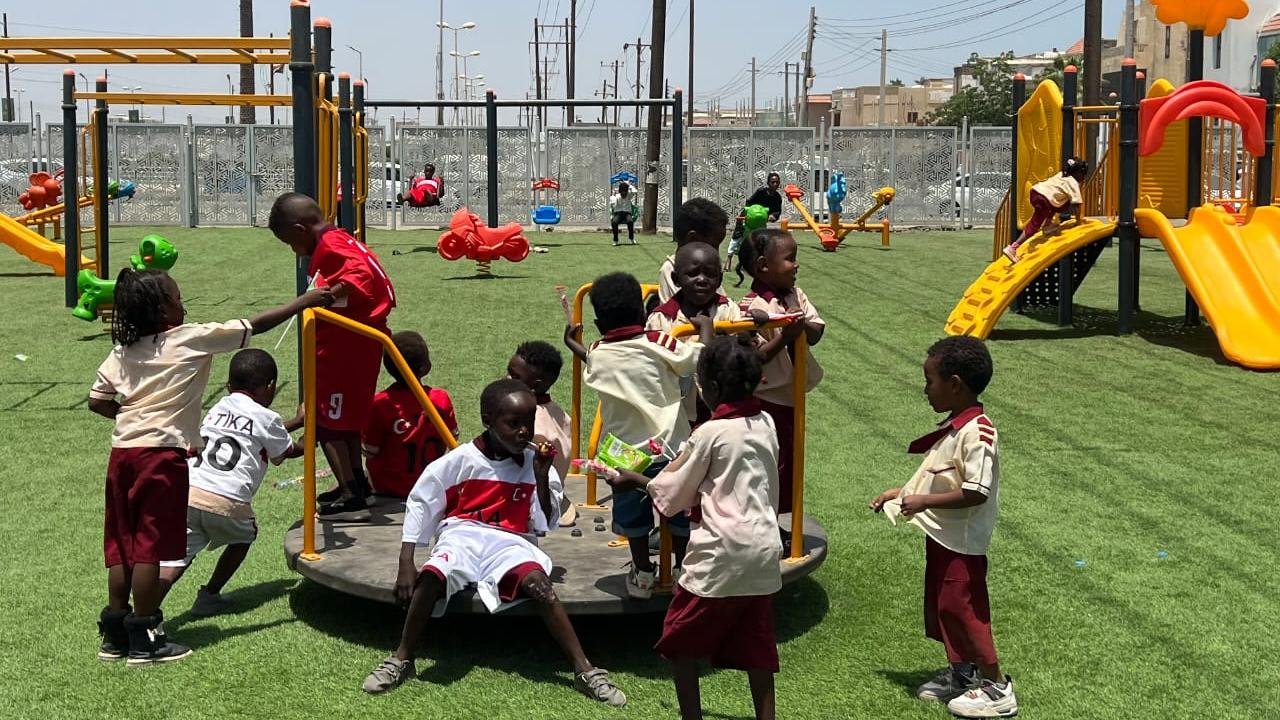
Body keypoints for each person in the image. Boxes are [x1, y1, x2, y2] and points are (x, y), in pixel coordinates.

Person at [88, 268, 332, 665]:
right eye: (178, 298)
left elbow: (97, 400)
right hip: (160, 456)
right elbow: (254, 325)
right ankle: (146, 638)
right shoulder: (189, 338)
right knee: (149, 548)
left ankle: (113, 636)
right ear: (163, 310)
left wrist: (132, 418)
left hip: (123, 453)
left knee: (122, 545)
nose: (183, 305)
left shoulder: (122, 351)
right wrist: (304, 302)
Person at [361, 379, 627, 707]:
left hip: (512, 541)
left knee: (541, 586)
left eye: (528, 423)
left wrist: (541, 476)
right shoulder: (459, 460)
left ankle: (585, 669)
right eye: (513, 424)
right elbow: (420, 503)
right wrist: (406, 562)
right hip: (461, 536)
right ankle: (402, 657)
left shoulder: (536, 464)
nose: (524, 432)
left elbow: (545, 523)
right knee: (431, 576)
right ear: (488, 420)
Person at [603, 335, 783, 720]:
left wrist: (634, 479)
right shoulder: (766, 422)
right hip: (765, 548)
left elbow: (673, 493)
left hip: (721, 552)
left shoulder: (708, 434)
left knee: (679, 640)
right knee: (758, 645)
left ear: (711, 387)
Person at [869, 336, 1017, 718]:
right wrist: (901, 493)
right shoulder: (956, 427)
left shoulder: (979, 433)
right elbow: (937, 476)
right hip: (942, 537)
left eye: (929, 381)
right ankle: (962, 673)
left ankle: (997, 688)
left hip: (962, 544)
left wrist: (923, 502)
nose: (925, 390)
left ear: (955, 385)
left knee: (962, 609)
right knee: (941, 605)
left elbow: (976, 491)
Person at [564, 272, 714, 599]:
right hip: (671, 449)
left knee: (633, 516)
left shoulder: (598, 350)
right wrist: (705, 329)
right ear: (642, 314)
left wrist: (571, 343)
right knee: (678, 510)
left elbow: (591, 358)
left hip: (624, 454)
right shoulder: (660, 341)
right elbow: (695, 360)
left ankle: (643, 573)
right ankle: (681, 569)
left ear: (599, 323)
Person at [270, 192, 397, 518]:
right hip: (355, 340)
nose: (294, 250)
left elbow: (360, 276)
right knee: (345, 420)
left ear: (299, 229)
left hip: (347, 343)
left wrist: (324, 297)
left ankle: (351, 494)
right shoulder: (341, 237)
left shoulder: (331, 244)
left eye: (289, 242)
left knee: (326, 419)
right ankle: (356, 483)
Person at [157, 349, 304, 617]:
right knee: (245, 535)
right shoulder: (267, 418)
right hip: (226, 500)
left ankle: (144, 614)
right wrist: (312, 432)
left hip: (187, 493)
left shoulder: (219, 407)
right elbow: (285, 451)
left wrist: (296, 422)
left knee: (174, 561)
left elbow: (256, 432)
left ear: (228, 385)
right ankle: (210, 594)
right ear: (270, 386)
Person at [737, 229, 824, 527]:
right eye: (790, 259)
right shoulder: (750, 307)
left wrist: (799, 322)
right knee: (767, 465)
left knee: (790, 465)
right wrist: (785, 333)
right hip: (765, 399)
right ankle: (762, 525)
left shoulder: (795, 295)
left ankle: (777, 525)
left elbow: (816, 332)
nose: (796, 264)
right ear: (764, 265)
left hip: (792, 396)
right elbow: (755, 357)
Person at [647, 242, 758, 425]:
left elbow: (744, 347)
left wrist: (750, 329)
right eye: (692, 274)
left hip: (724, 404)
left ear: (720, 280)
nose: (702, 280)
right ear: (676, 279)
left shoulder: (728, 309)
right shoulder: (662, 318)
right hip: (678, 408)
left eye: (710, 274)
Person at [363, 331, 459, 499]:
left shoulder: (380, 404)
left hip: (387, 488)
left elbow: (370, 450)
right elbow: (453, 437)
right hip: (430, 485)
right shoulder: (441, 398)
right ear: (426, 366)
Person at [506, 340, 576, 525]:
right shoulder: (560, 414)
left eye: (514, 376)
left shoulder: (526, 422)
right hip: (554, 488)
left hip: (528, 497)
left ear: (535, 385)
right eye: (508, 371)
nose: (507, 378)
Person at [1003, 156, 1088, 263]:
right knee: (1034, 225)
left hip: (1035, 192)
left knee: (1061, 201)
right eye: (1082, 174)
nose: (1083, 177)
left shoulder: (1061, 174)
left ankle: (1047, 224)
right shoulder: (1073, 182)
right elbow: (1077, 204)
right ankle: (1013, 248)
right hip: (1044, 199)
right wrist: (1078, 222)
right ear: (1077, 173)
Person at [658, 198, 730, 303]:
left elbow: (724, 304)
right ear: (692, 239)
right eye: (714, 246)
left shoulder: (707, 269)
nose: (717, 253)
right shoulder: (670, 270)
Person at [728, 173, 785, 272]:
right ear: (768, 183)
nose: (775, 184)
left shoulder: (777, 197)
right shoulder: (761, 192)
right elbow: (749, 202)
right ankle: (729, 259)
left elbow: (777, 212)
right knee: (738, 237)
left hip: (760, 223)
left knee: (758, 242)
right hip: (746, 219)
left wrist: (773, 216)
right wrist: (751, 213)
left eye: (777, 182)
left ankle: (750, 264)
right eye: (773, 182)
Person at [609, 181, 639, 246]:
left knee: (630, 221)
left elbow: (635, 191)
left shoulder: (629, 195)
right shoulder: (617, 196)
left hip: (627, 213)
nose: (624, 194)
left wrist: (629, 185)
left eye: (625, 192)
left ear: (627, 191)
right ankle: (615, 240)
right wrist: (613, 196)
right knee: (614, 222)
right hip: (618, 213)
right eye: (622, 192)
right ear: (620, 191)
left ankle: (631, 238)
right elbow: (612, 204)